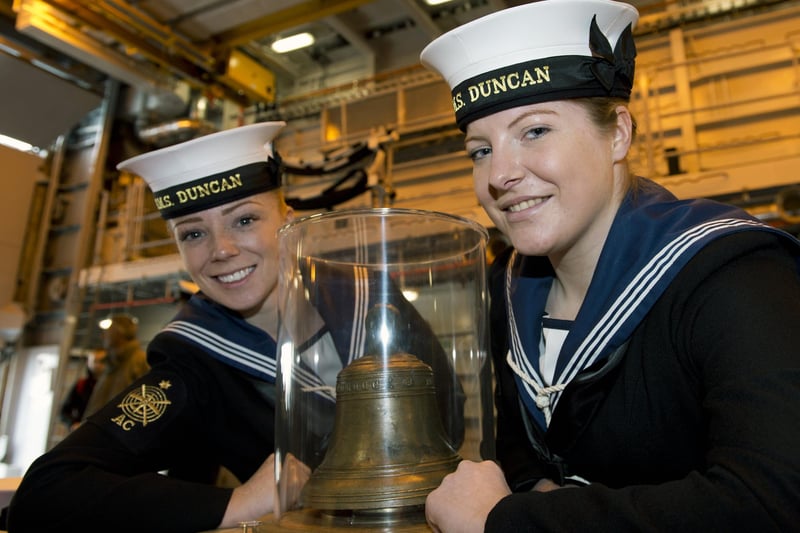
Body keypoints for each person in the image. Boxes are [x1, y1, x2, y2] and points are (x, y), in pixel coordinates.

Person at [420, 0, 800, 531]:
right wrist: (533, 488)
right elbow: (521, 451)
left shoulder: (734, 275)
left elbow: (772, 501)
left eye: (534, 131)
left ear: (618, 133)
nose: (499, 175)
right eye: (479, 150)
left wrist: (512, 521)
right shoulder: (505, 290)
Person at [4, 121, 462, 533]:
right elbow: (48, 491)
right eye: (194, 233)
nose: (220, 250)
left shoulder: (373, 296)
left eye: (244, 220)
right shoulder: (193, 362)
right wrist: (238, 504)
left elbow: (449, 414)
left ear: (287, 222)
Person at [82, 314, 149, 419]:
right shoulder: (111, 362)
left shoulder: (139, 361)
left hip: (113, 431)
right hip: (94, 430)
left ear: (120, 332)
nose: (103, 335)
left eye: (109, 330)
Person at [59, 349, 107, 430]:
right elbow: (64, 412)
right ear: (88, 362)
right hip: (85, 429)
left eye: (102, 361)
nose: (98, 365)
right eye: (95, 361)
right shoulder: (82, 385)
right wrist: (73, 424)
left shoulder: (112, 386)